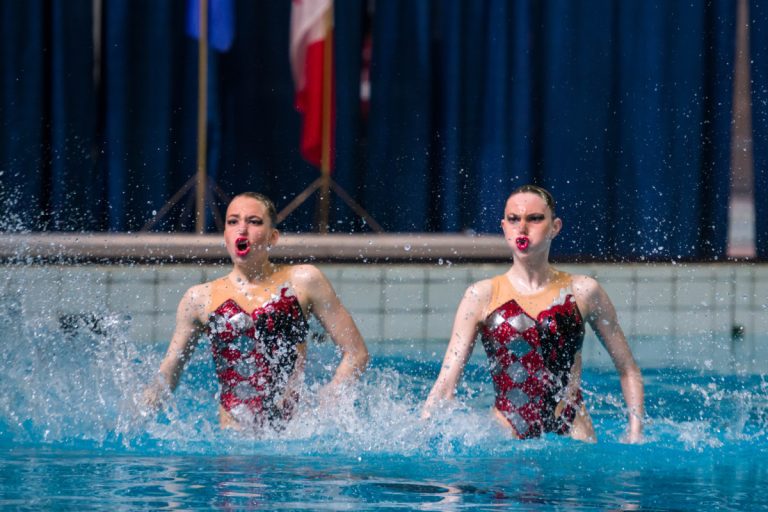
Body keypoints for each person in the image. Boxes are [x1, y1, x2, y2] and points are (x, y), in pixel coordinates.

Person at [422, 184, 644, 442]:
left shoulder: (583, 291)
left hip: (573, 435)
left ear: (555, 227)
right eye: (514, 220)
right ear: (504, 227)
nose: (522, 228)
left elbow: (628, 369)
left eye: (535, 219)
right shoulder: (480, 296)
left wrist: (635, 432)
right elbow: (446, 383)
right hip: (505, 437)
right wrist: (424, 432)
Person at [143, 192, 369, 429]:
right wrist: (136, 419)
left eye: (254, 221)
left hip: (290, 439)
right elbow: (167, 375)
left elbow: (356, 353)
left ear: (273, 237)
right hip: (232, 445)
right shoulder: (199, 298)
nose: (242, 229)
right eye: (233, 222)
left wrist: (330, 399)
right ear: (226, 236)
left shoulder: (303, 281)